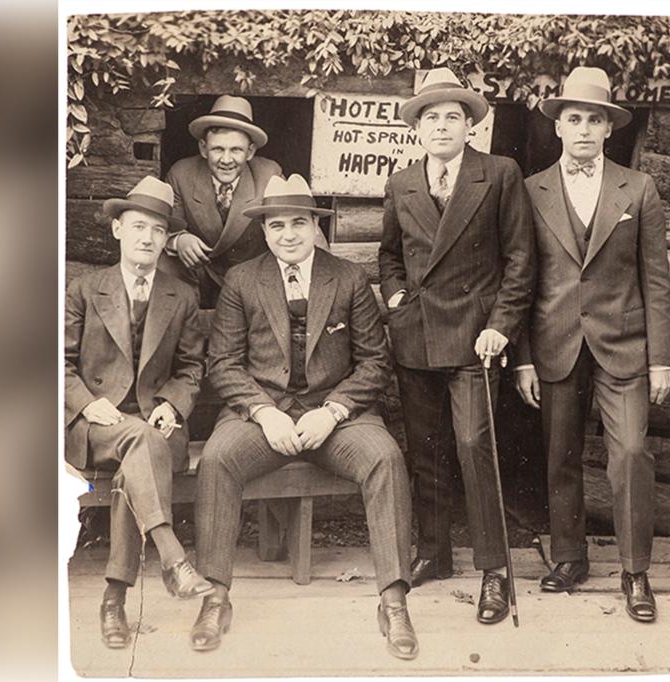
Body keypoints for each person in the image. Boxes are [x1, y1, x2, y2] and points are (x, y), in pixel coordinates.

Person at [190, 175, 418, 660]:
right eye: (277, 225)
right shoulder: (243, 279)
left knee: (385, 459)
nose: (288, 234)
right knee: (217, 459)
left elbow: (375, 361)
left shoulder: (350, 277)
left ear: (315, 227)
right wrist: (263, 411)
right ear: (265, 231)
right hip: (263, 415)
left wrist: (333, 411)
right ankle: (215, 595)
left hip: (334, 414)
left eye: (298, 223)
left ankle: (393, 600)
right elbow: (224, 364)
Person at [514, 66, 670, 623]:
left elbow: (656, 279)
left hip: (624, 345)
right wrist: (524, 358)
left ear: (610, 129)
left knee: (630, 453)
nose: (584, 129)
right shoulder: (530, 190)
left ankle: (635, 572)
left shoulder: (639, 187)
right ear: (558, 127)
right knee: (560, 457)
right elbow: (522, 278)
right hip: (554, 343)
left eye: (595, 120)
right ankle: (568, 558)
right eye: (574, 118)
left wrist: (659, 361)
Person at [378, 68, 536, 625]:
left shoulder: (498, 174)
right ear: (417, 127)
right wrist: (397, 298)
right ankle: (435, 552)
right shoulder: (402, 183)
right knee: (425, 448)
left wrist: (501, 325)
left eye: (452, 116)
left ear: (469, 125)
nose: (441, 125)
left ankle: (494, 570)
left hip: (478, 338)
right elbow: (389, 255)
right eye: (430, 116)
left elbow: (520, 258)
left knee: (474, 444)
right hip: (417, 334)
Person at [64, 176, 213, 649]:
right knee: (137, 442)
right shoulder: (85, 290)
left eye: (157, 230)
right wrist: (88, 402)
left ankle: (114, 601)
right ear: (117, 232)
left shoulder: (181, 295)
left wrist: (172, 403)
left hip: (156, 425)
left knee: (138, 463)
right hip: (97, 425)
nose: (147, 239)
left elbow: (192, 367)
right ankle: (172, 556)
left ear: (167, 240)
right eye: (137, 227)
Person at [161, 95, 282, 307]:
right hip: (199, 277)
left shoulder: (270, 174)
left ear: (250, 151)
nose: (226, 160)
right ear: (203, 148)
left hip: (251, 280)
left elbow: (290, 225)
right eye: (218, 149)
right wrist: (179, 240)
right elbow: (164, 224)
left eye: (236, 150)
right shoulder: (181, 174)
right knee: (164, 265)